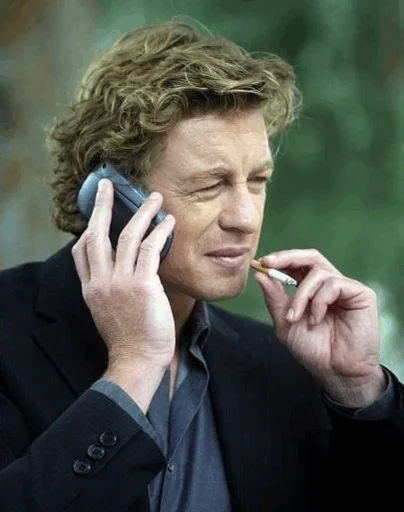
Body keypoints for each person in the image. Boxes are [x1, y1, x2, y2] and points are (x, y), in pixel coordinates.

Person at [0, 19, 403, 512]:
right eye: (211, 185)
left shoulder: (283, 364)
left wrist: (360, 393)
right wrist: (132, 371)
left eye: (257, 181)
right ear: (113, 196)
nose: (245, 219)